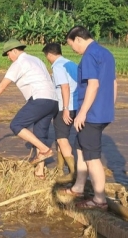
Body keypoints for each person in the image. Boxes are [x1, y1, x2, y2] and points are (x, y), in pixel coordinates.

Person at [0, 39, 58, 178]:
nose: (8, 58)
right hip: (53, 101)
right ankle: (40, 172)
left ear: (15, 51)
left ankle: (45, 150)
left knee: (16, 125)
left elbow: (2, 85)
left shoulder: (19, 63)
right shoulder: (36, 60)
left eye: (8, 54)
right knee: (40, 134)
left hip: (39, 98)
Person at [58, 26, 117, 210]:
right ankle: (78, 187)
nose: (73, 50)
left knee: (92, 157)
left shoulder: (90, 55)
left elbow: (93, 85)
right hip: (102, 112)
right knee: (81, 148)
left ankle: (99, 200)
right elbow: (114, 83)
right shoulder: (106, 53)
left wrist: (82, 112)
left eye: (72, 46)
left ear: (78, 39)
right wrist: (109, 106)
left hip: (91, 114)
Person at [42, 43, 78, 183]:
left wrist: (65, 109)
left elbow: (65, 87)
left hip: (65, 106)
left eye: (47, 57)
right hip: (76, 105)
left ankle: (74, 174)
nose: (47, 59)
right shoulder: (72, 64)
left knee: (62, 139)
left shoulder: (58, 66)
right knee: (60, 137)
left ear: (50, 54)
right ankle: (59, 168)